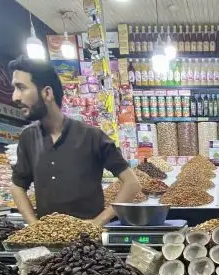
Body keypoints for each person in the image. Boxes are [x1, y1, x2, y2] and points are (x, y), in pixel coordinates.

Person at [8, 56, 141, 225]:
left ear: (47, 93)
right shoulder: (28, 138)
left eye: (21, 88)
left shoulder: (93, 136)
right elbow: (17, 185)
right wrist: (34, 225)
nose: (15, 97)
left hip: (90, 244)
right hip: (49, 242)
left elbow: (132, 184)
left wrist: (98, 222)